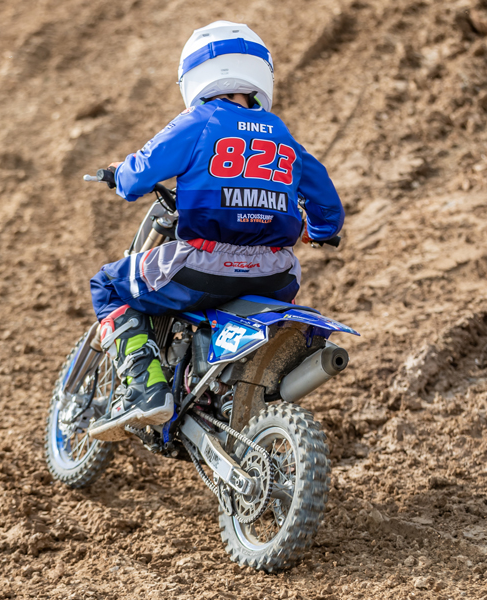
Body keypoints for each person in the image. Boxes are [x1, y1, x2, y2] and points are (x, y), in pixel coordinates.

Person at [87, 21, 345, 441]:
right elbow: (328, 206)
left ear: (194, 75)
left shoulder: (199, 121)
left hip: (204, 264)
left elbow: (138, 177)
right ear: (260, 73)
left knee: (108, 284)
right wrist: (320, 230)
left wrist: (118, 174)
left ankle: (146, 389)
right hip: (278, 274)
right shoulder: (281, 134)